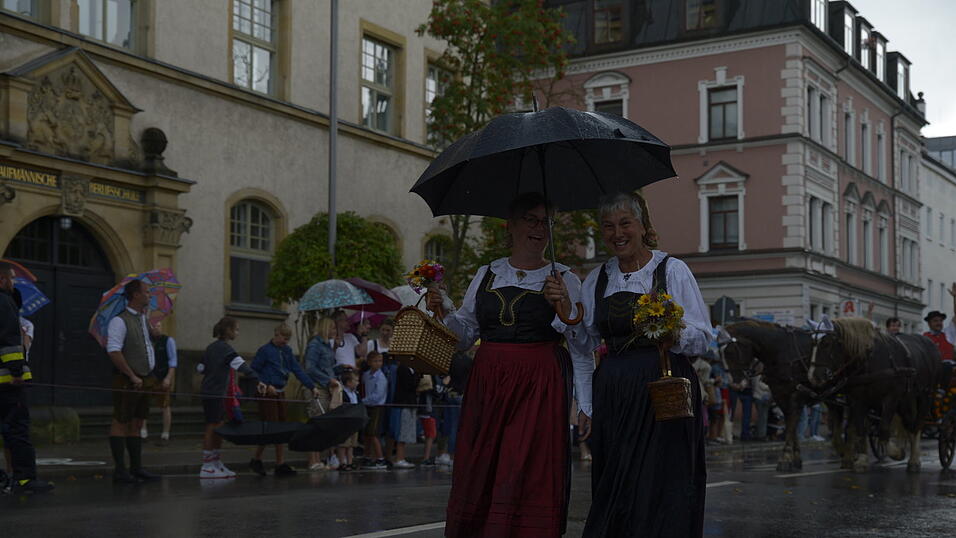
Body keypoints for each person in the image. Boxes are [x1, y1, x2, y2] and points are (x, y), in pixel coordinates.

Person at [427, 192, 594, 538]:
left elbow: (581, 346)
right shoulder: (487, 273)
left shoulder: (564, 279)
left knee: (524, 464)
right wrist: (443, 308)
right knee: (483, 462)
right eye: (531, 219)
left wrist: (586, 405)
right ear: (512, 225)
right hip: (488, 380)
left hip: (538, 383)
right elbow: (462, 337)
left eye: (546, 221)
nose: (539, 228)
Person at [578, 192, 709, 537]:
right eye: (608, 226)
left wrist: (673, 333)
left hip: (663, 388)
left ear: (642, 226)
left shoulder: (672, 270)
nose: (617, 233)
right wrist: (586, 404)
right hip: (615, 391)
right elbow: (583, 342)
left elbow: (703, 336)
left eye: (625, 223)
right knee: (616, 480)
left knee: (661, 480)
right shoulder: (597, 278)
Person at [0, 262, 53, 493]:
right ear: (2, 280)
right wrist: (17, 371)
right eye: (11, 278)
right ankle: (24, 479)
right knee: (18, 430)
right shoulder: (4, 302)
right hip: (7, 382)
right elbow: (9, 341)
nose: (14, 283)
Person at [106, 279, 160, 484]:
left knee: (137, 422)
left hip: (145, 378)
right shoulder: (119, 321)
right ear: (136, 295)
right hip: (127, 379)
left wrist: (155, 335)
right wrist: (131, 375)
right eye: (147, 292)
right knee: (121, 420)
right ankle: (120, 470)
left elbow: (143, 346)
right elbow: (113, 351)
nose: (150, 295)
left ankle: (137, 468)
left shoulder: (144, 320)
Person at [250, 323, 320, 476]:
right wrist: (265, 384)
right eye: (283, 338)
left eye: (288, 339)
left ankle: (280, 462)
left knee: (281, 428)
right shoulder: (265, 351)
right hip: (267, 393)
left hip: (280, 392)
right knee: (271, 427)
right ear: (276, 335)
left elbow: (297, 370)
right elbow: (253, 370)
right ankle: (257, 458)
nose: (285, 341)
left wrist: (311, 386)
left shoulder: (287, 351)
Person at [198, 317, 264, 479]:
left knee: (218, 426)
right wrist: (259, 380)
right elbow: (242, 366)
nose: (237, 332)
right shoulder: (225, 349)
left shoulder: (211, 347)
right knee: (212, 426)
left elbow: (200, 368)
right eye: (236, 329)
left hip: (211, 392)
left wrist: (213, 371)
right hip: (215, 393)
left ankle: (215, 462)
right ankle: (207, 465)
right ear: (228, 330)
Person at [304, 316, 339, 470]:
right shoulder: (315, 345)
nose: (335, 331)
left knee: (323, 423)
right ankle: (313, 460)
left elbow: (329, 366)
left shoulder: (327, 346)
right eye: (332, 328)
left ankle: (319, 459)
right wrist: (327, 380)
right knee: (316, 422)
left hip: (327, 387)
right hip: (317, 387)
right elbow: (310, 368)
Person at [142, 321, 177, 446]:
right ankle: (143, 431)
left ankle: (165, 434)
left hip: (163, 376)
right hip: (149, 376)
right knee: (144, 403)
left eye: (158, 326)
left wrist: (168, 378)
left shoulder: (168, 341)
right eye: (153, 326)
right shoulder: (146, 341)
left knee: (165, 405)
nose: (156, 328)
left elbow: (173, 362)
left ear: (162, 327)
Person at [361, 351, 388, 470]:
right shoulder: (366, 375)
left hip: (377, 407)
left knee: (373, 433)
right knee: (367, 433)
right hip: (367, 406)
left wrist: (364, 400)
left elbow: (378, 395)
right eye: (375, 361)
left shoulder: (381, 377)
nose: (378, 363)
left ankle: (380, 459)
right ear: (369, 362)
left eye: (380, 361)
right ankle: (367, 456)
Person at [332, 370, 361, 471]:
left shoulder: (356, 394)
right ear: (348, 382)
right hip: (345, 422)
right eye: (356, 380)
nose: (358, 383)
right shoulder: (342, 393)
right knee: (343, 444)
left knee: (352, 444)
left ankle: (350, 462)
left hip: (354, 421)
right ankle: (342, 462)